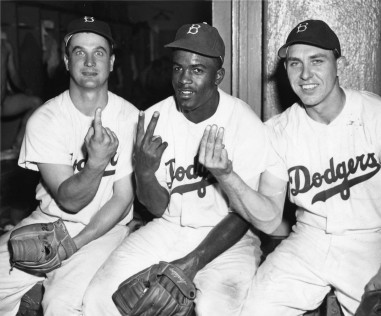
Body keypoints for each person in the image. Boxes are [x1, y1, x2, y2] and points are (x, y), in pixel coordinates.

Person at [199, 19, 381, 316]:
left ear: (338, 63)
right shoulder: (278, 131)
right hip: (309, 239)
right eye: (295, 64)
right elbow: (268, 219)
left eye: (316, 61)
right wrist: (226, 176)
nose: (305, 74)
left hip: (373, 240)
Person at [83, 22, 268, 316]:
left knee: (215, 308)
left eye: (197, 70)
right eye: (178, 68)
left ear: (218, 76)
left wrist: (193, 261)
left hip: (229, 238)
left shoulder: (244, 123)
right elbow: (158, 209)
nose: (184, 79)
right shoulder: (154, 119)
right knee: (99, 297)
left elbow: (245, 215)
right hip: (169, 229)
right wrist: (144, 171)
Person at [0, 16, 138, 316]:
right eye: (79, 52)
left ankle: (41, 294)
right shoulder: (45, 119)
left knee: (62, 305)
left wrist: (73, 245)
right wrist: (96, 163)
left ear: (112, 61)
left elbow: (122, 197)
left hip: (104, 229)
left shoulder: (130, 117)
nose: (89, 61)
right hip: (48, 221)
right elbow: (68, 199)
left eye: (99, 52)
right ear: (65, 60)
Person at [1, 30, 43, 160]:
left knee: (36, 103)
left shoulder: (5, 46)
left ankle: (16, 147)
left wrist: (25, 89)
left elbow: (13, 75)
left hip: (3, 103)